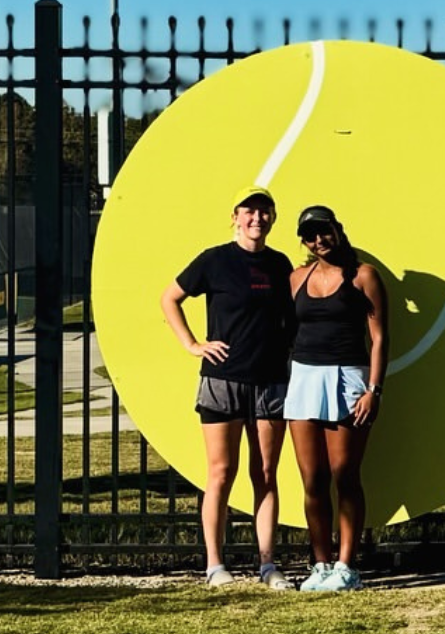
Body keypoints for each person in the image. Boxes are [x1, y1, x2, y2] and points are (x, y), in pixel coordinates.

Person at [159, 186, 297, 589]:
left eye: (264, 211)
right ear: (235, 216)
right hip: (222, 381)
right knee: (221, 473)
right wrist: (192, 344)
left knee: (266, 474)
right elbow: (170, 298)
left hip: (270, 381)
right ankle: (215, 565)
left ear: (272, 217)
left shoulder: (279, 264)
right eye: (249, 211)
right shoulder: (214, 260)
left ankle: (268, 564)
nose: (257, 218)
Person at [285, 205, 389, 592]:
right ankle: (321, 565)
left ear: (337, 230)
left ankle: (347, 566)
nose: (318, 240)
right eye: (310, 236)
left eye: (324, 231)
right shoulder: (296, 278)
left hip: (349, 379)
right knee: (313, 479)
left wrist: (373, 390)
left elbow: (379, 338)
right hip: (304, 379)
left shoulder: (364, 277)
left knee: (345, 475)